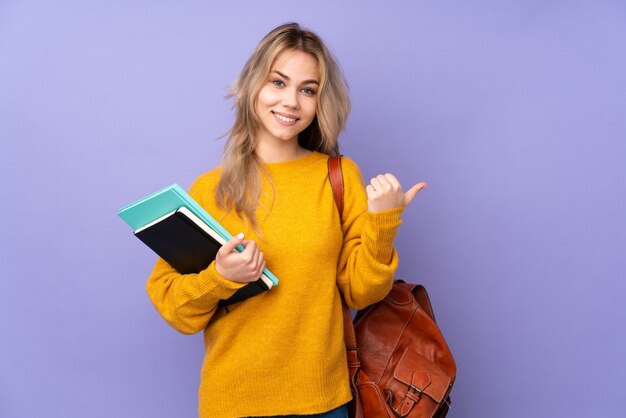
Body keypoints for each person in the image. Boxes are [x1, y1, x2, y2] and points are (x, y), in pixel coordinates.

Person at [146, 22, 426, 418]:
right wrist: (220, 277)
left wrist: (382, 225)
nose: (291, 101)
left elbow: (362, 294)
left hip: (323, 402)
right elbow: (176, 310)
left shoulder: (339, 177)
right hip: (233, 402)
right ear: (253, 87)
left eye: (307, 89)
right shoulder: (211, 190)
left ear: (319, 102)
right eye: (278, 82)